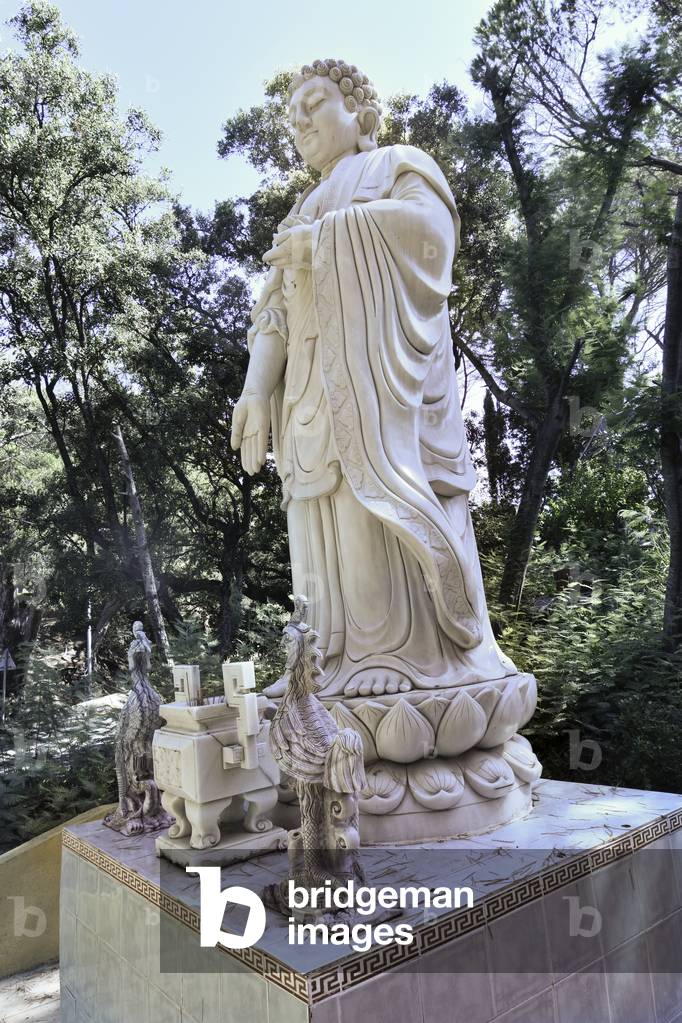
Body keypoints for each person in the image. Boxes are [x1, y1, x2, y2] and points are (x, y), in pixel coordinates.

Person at [230, 59, 515, 698]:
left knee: (366, 511)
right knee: (315, 515)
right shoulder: (299, 206)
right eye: (292, 115)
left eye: (315, 102)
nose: (300, 119)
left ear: (360, 115)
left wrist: (331, 240)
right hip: (311, 392)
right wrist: (254, 391)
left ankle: (399, 659)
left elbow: (433, 239)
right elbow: (272, 310)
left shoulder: (395, 166)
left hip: (380, 387)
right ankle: (322, 660)